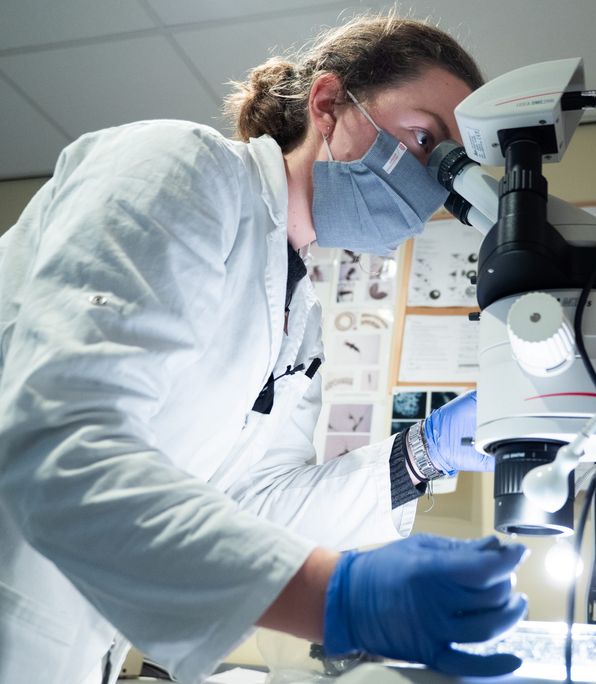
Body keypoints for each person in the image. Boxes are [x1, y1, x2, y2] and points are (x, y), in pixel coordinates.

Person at [0, 13, 527, 684]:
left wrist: (421, 453)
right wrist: (340, 596)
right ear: (328, 103)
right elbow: (60, 442)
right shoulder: (180, 168)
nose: (434, 185)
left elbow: (251, 505)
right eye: (426, 138)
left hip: (76, 648)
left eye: (453, 169)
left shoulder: (302, 310)